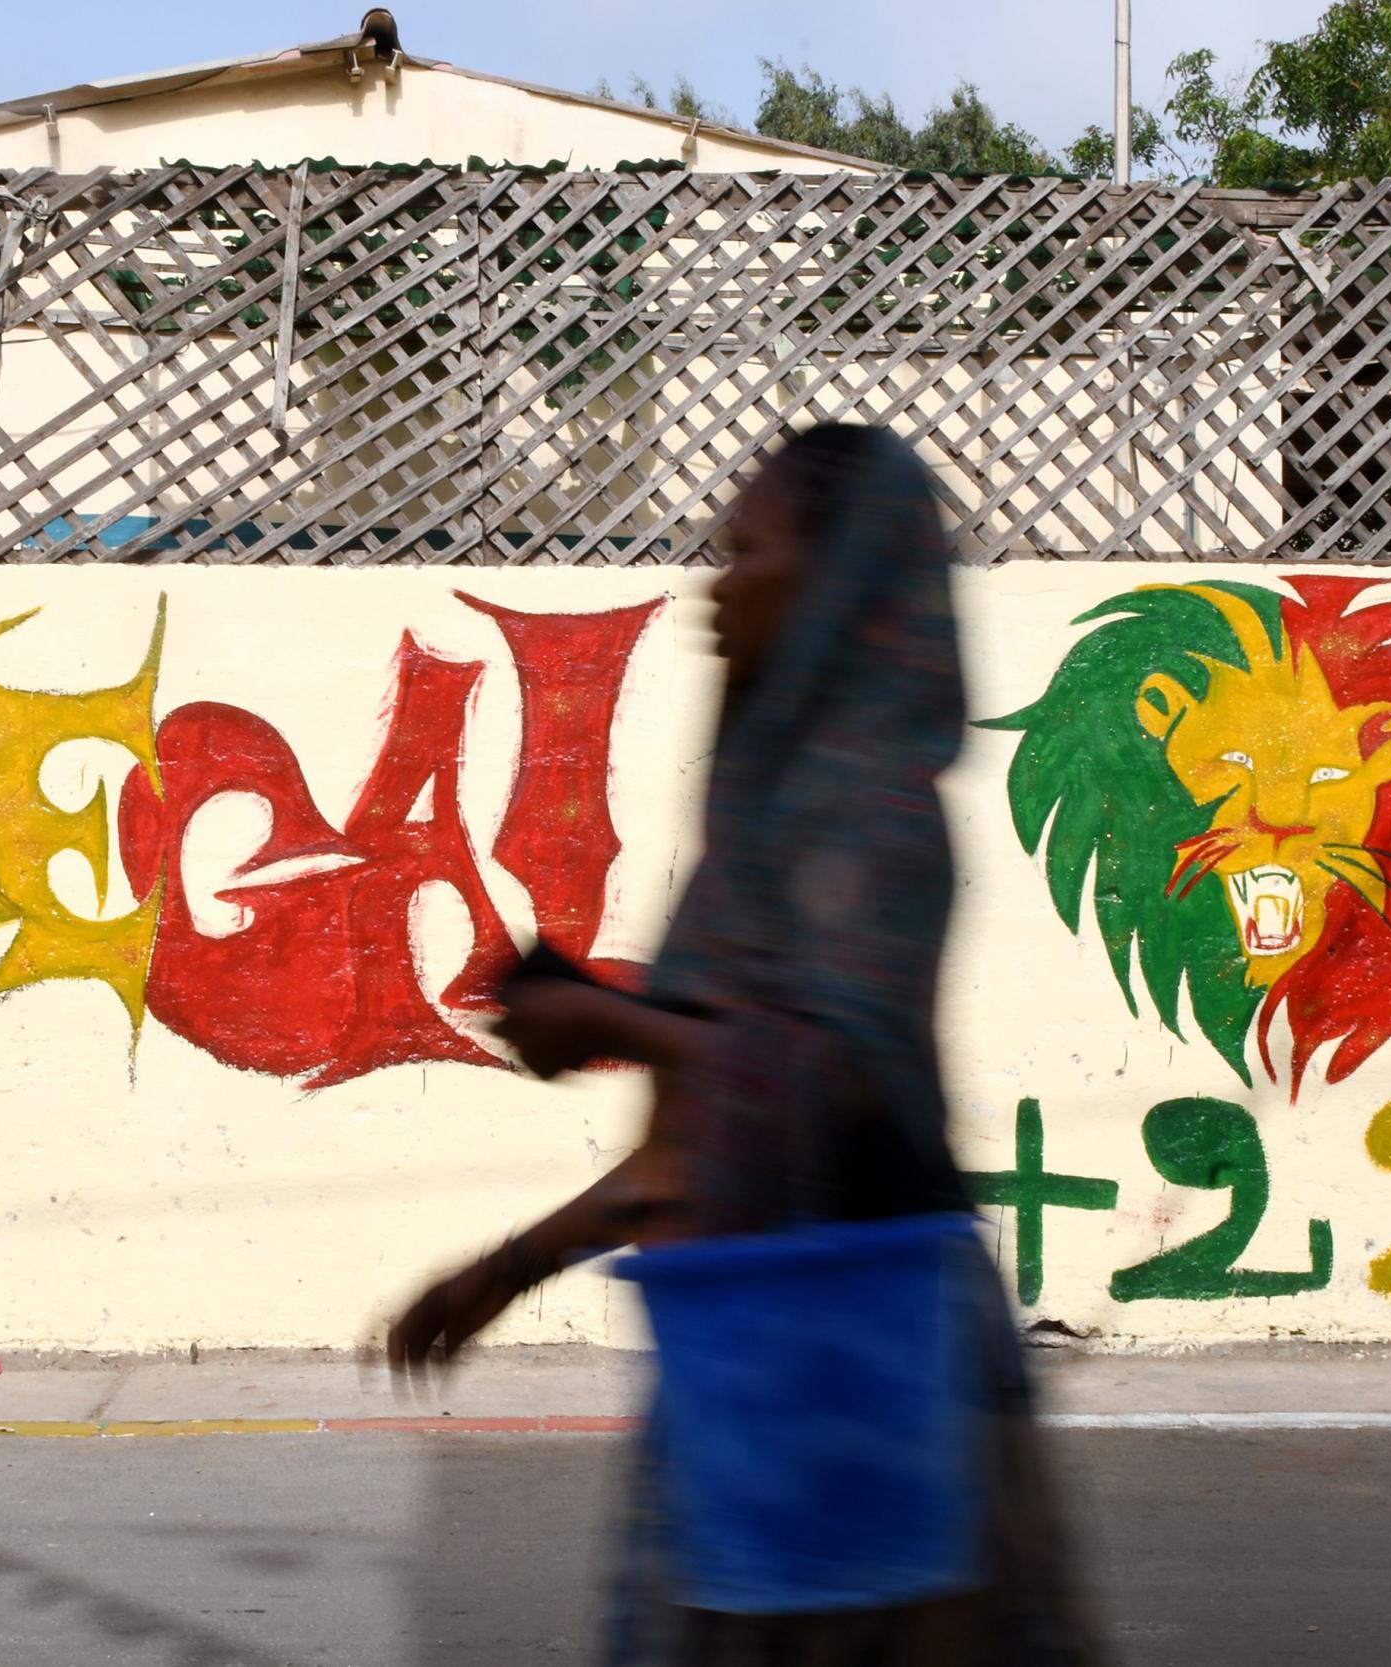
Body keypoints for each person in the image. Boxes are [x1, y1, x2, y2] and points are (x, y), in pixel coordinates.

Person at [384, 422, 1102, 1665]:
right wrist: (500, 1273)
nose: (714, 585)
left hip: (870, 1355)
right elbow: (700, 1141)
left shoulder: (872, 815)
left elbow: (834, 1082)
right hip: (748, 1349)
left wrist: (602, 1016)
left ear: (835, 583)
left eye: (749, 551)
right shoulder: (764, 822)